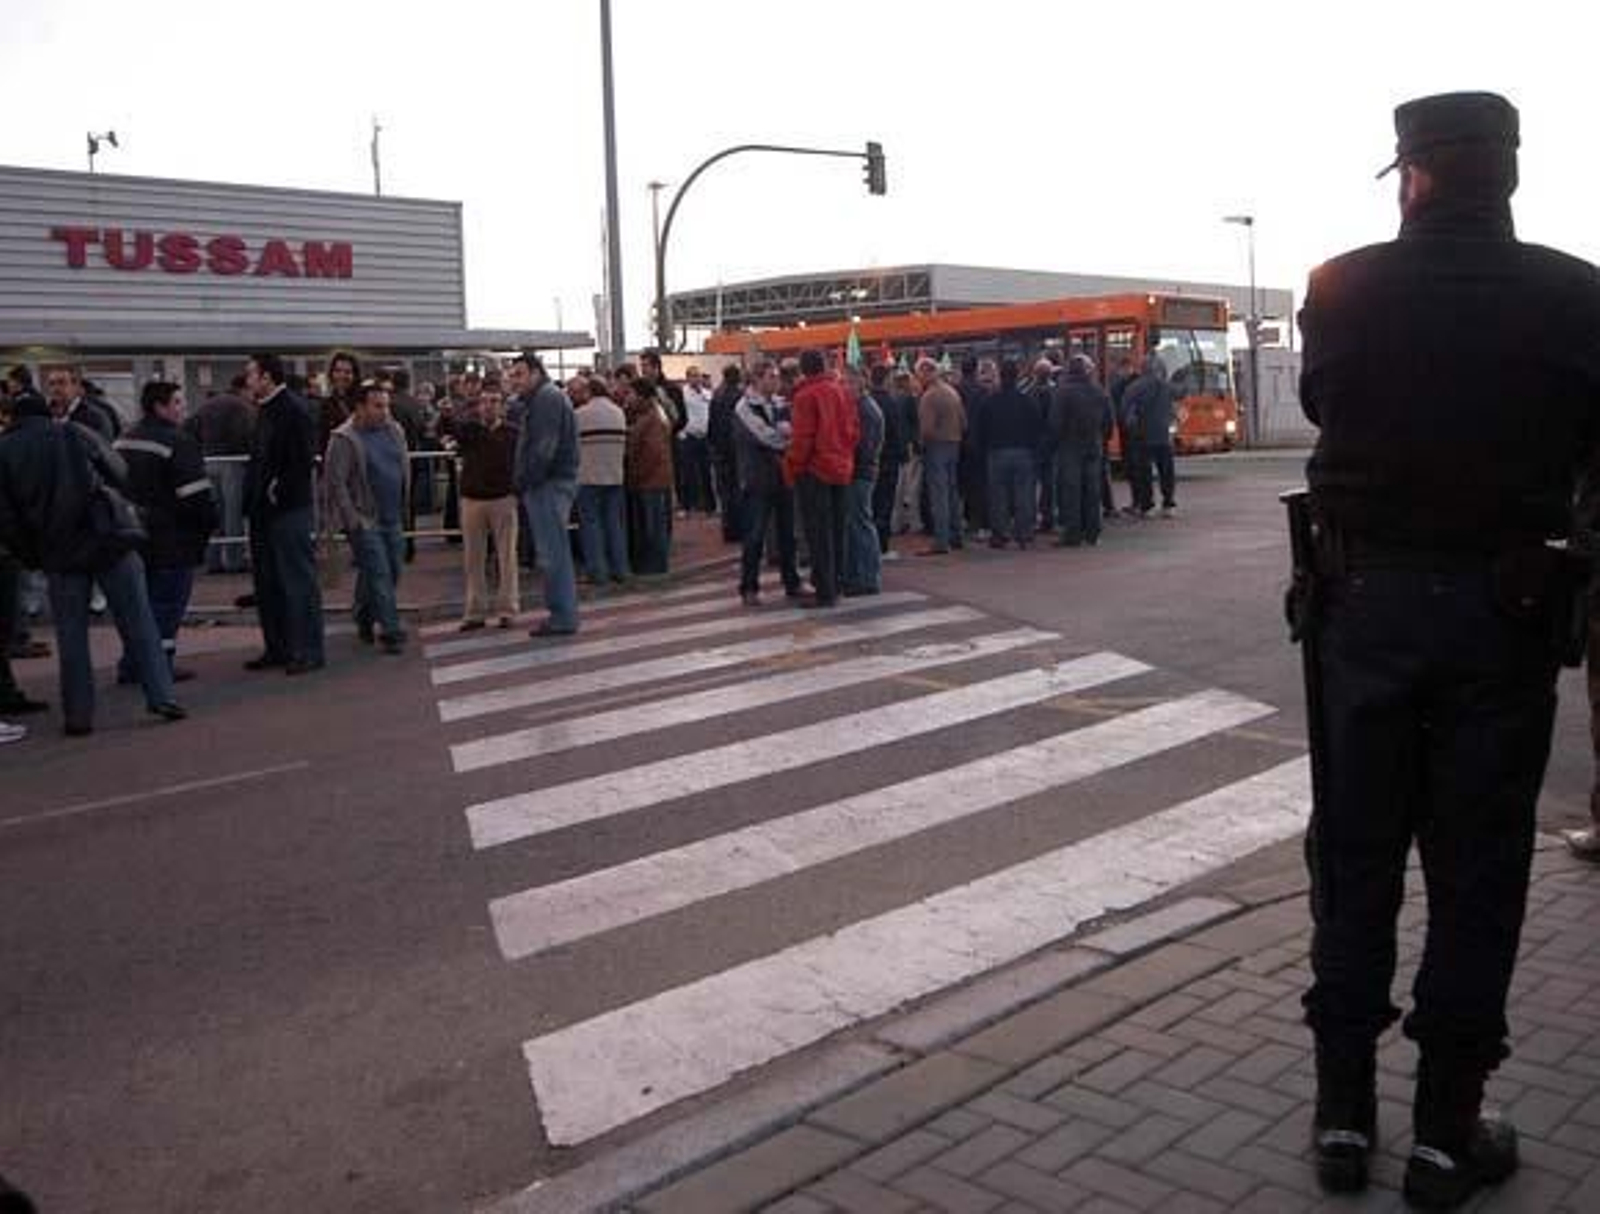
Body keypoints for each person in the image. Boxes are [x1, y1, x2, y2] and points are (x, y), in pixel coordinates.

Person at [1296, 92, 1600, 1209]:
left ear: (1411, 174)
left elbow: (1329, 400)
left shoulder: (1338, 288)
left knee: (1354, 858)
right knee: (1479, 875)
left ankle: (1340, 1115)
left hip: (1360, 609)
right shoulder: (1579, 297)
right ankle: (1442, 1130)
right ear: (1506, 175)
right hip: (1503, 616)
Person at [0, 387, 184, 734]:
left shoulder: (5, 450)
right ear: (46, 412)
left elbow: (6, 517)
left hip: (57, 551)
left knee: (71, 637)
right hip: (106, 537)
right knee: (138, 621)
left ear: (13, 418)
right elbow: (118, 469)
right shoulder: (72, 431)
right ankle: (161, 695)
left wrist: (31, 554)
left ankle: (79, 715)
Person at [114, 381, 218, 682]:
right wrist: (211, 521)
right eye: (176, 402)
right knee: (168, 605)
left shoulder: (124, 439)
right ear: (159, 406)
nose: (182, 408)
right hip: (173, 537)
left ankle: (132, 661)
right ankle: (159, 665)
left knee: (139, 604)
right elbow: (195, 494)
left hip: (133, 534)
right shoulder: (177, 442)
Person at [242, 352, 325, 675]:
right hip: (265, 510)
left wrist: (277, 488)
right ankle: (278, 646)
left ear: (266, 377)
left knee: (297, 580)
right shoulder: (266, 409)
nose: (247, 380)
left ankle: (307, 649)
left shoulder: (293, 409)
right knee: (268, 581)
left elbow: (302, 459)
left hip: (287, 509)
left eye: (251, 374)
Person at [324, 380, 410, 654]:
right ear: (360, 407)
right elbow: (336, 483)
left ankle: (362, 612)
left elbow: (403, 465)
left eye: (386, 405)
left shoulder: (394, 430)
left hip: (393, 513)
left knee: (389, 569)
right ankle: (391, 630)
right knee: (379, 572)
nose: (384, 411)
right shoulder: (344, 438)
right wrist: (353, 519)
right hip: (365, 517)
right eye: (377, 406)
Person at [509, 353, 580, 637]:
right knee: (553, 551)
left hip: (548, 484)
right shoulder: (543, 398)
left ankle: (562, 616)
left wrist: (525, 481)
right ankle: (562, 613)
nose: (515, 381)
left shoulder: (546, 399)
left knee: (553, 553)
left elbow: (543, 449)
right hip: (549, 482)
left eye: (520, 374)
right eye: (513, 375)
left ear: (536, 373)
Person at [783, 351, 859, 608]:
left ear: (804, 370)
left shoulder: (805, 396)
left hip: (815, 469)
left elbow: (803, 438)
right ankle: (836, 583)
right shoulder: (841, 391)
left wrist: (791, 467)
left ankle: (824, 590)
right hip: (840, 466)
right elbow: (853, 430)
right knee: (837, 529)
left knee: (818, 533)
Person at [448, 381, 521, 630]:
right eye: (484, 402)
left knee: (507, 557)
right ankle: (475, 611)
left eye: (494, 401)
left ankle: (507, 609)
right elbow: (448, 430)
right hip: (473, 498)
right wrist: (454, 412)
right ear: (478, 406)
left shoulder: (513, 433)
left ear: (503, 406)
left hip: (503, 498)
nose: (488, 407)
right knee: (473, 558)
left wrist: (515, 490)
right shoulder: (469, 430)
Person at [733, 360, 801, 605]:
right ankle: (749, 586)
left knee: (787, 533)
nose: (776, 381)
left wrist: (788, 436)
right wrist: (789, 441)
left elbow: (791, 428)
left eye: (776, 377)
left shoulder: (779, 402)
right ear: (757, 379)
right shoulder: (744, 407)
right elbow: (766, 436)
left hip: (781, 474)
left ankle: (791, 582)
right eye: (771, 377)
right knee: (755, 534)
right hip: (757, 478)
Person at [186, 374, 255, 573]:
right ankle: (234, 560)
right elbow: (247, 435)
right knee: (233, 514)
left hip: (208, 461)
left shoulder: (208, 404)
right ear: (244, 388)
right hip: (234, 462)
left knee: (215, 512)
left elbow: (190, 428)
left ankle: (212, 559)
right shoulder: (242, 407)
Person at [976, 357, 1043, 549]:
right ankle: (1024, 534)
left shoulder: (989, 401)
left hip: (996, 453)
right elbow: (1037, 427)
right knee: (1024, 495)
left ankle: (1000, 535)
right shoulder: (1027, 401)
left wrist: (984, 450)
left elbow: (981, 429)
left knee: (998, 496)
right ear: (1017, 376)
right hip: (1023, 453)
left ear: (1000, 376)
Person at [1050, 355, 1115, 548]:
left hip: (1070, 446)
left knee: (1071, 491)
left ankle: (1073, 534)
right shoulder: (1099, 391)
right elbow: (1109, 421)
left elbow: (1055, 422)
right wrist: (1102, 439)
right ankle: (1092, 533)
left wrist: (1056, 442)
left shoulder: (1063, 392)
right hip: (1093, 445)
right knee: (1092, 490)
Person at [573, 375, 630, 589]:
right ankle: (620, 569)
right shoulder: (619, 413)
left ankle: (597, 571)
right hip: (615, 476)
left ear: (589, 392)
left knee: (591, 525)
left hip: (588, 476)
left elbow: (572, 447)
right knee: (614, 524)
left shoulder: (579, 415)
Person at [620, 369, 675, 576]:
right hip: (655, 478)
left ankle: (655, 566)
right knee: (655, 525)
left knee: (653, 526)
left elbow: (652, 452)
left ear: (642, 396)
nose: (628, 398)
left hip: (650, 480)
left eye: (631, 394)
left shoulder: (651, 419)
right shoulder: (653, 414)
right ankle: (655, 564)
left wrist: (636, 475)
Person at [840, 363, 884, 596]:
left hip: (860, 474)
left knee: (861, 524)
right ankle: (858, 574)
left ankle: (867, 577)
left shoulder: (865, 410)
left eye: (846, 382)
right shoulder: (861, 407)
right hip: (859, 472)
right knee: (857, 524)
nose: (842, 386)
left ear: (859, 382)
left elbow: (863, 448)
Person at [915, 357, 966, 555]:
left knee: (939, 495)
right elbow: (964, 422)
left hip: (936, 447)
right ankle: (956, 535)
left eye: (919, 373)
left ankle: (941, 541)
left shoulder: (930, 396)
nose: (918, 378)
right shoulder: (952, 392)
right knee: (952, 493)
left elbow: (926, 429)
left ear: (927, 372)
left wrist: (921, 445)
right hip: (954, 444)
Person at [1122, 354, 1176, 517]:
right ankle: (1168, 503)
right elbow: (1179, 395)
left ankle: (1147, 505)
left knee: (1144, 472)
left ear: (1142, 369)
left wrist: (1132, 429)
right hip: (1163, 434)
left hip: (1142, 435)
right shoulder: (1166, 386)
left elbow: (1125, 410)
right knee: (1166, 471)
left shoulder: (1134, 388)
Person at [868, 362, 907, 558]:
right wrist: (903, 455)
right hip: (889, 461)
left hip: (870, 461)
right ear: (886, 379)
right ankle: (882, 547)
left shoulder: (867, 401)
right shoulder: (891, 403)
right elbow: (897, 433)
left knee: (871, 505)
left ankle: (870, 546)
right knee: (884, 504)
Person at [707, 364, 745, 543]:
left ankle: (728, 528)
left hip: (720, 450)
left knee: (725, 492)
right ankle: (738, 527)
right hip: (735, 449)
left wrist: (713, 446)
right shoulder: (739, 397)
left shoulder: (717, 396)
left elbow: (712, 425)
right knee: (737, 490)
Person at [676, 365, 717, 516]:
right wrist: (681, 432)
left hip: (704, 437)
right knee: (686, 473)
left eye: (698, 376)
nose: (696, 379)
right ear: (687, 377)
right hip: (688, 437)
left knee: (706, 473)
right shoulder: (683, 393)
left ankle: (710, 507)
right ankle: (685, 506)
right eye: (692, 376)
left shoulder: (708, 394)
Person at [44, 365, 119, 441]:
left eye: (62, 383)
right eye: (51, 384)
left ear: (75, 386)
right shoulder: (44, 415)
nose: (55, 388)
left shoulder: (94, 418)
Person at [1028, 358, 1059, 533]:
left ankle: (1031, 519)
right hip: (1052, 444)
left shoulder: (1029, 393)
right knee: (1050, 484)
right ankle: (1049, 518)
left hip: (1034, 445)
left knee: (1030, 484)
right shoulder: (1057, 392)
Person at [317, 350, 361, 453]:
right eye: (337, 371)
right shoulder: (325, 404)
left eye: (347, 372)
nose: (342, 375)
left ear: (355, 375)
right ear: (331, 373)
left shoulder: (364, 401)